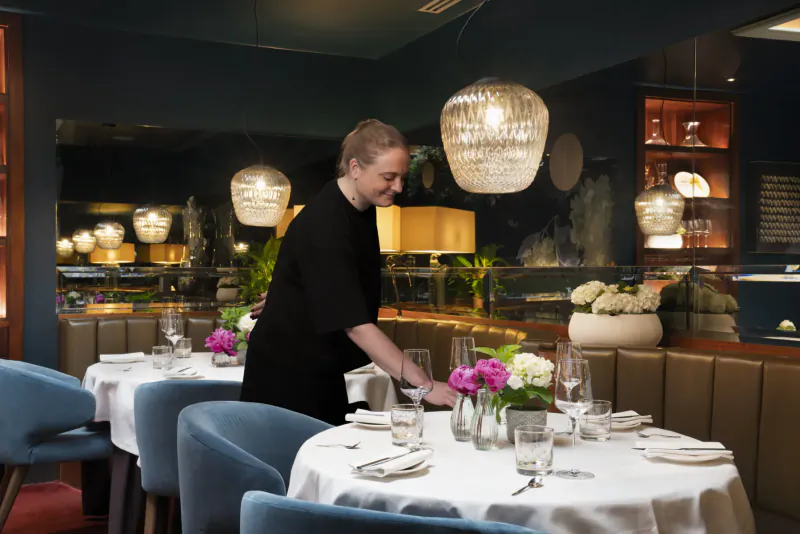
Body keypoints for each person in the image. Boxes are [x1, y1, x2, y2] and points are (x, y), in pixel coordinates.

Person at [241, 119, 456, 425]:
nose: (397, 187)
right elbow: (355, 324)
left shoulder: (360, 207)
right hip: (289, 372)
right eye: (388, 176)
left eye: (401, 177)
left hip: (320, 363)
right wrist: (423, 384)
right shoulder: (327, 223)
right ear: (355, 168)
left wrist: (291, 295)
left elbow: (327, 278)